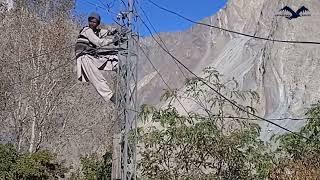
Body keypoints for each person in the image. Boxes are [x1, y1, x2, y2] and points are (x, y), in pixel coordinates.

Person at [75, 12, 120, 103]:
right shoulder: (86, 30)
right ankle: (111, 96)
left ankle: (119, 66)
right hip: (84, 57)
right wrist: (112, 40)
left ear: (97, 23)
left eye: (94, 22)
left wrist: (115, 32)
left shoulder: (96, 32)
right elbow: (98, 42)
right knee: (96, 77)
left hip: (91, 56)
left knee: (112, 57)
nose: (92, 23)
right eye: (90, 21)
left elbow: (105, 32)